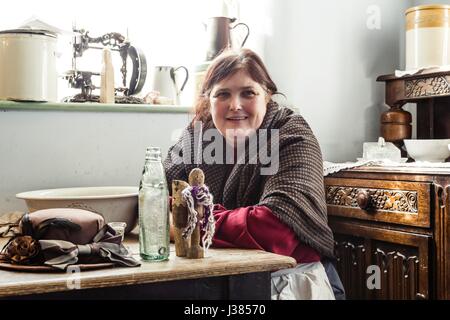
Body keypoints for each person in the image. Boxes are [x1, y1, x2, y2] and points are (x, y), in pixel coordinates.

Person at [163, 48, 345, 300]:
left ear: (267, 95)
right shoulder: (195, 137)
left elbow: (275, 230)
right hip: (218, 277)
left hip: (293, 281)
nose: (235, 105)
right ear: (208, 100)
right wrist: (181, 216)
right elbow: (156, 202)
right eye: (223, 94)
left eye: (248, 93)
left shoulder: (292, 135)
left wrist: (193, 219)